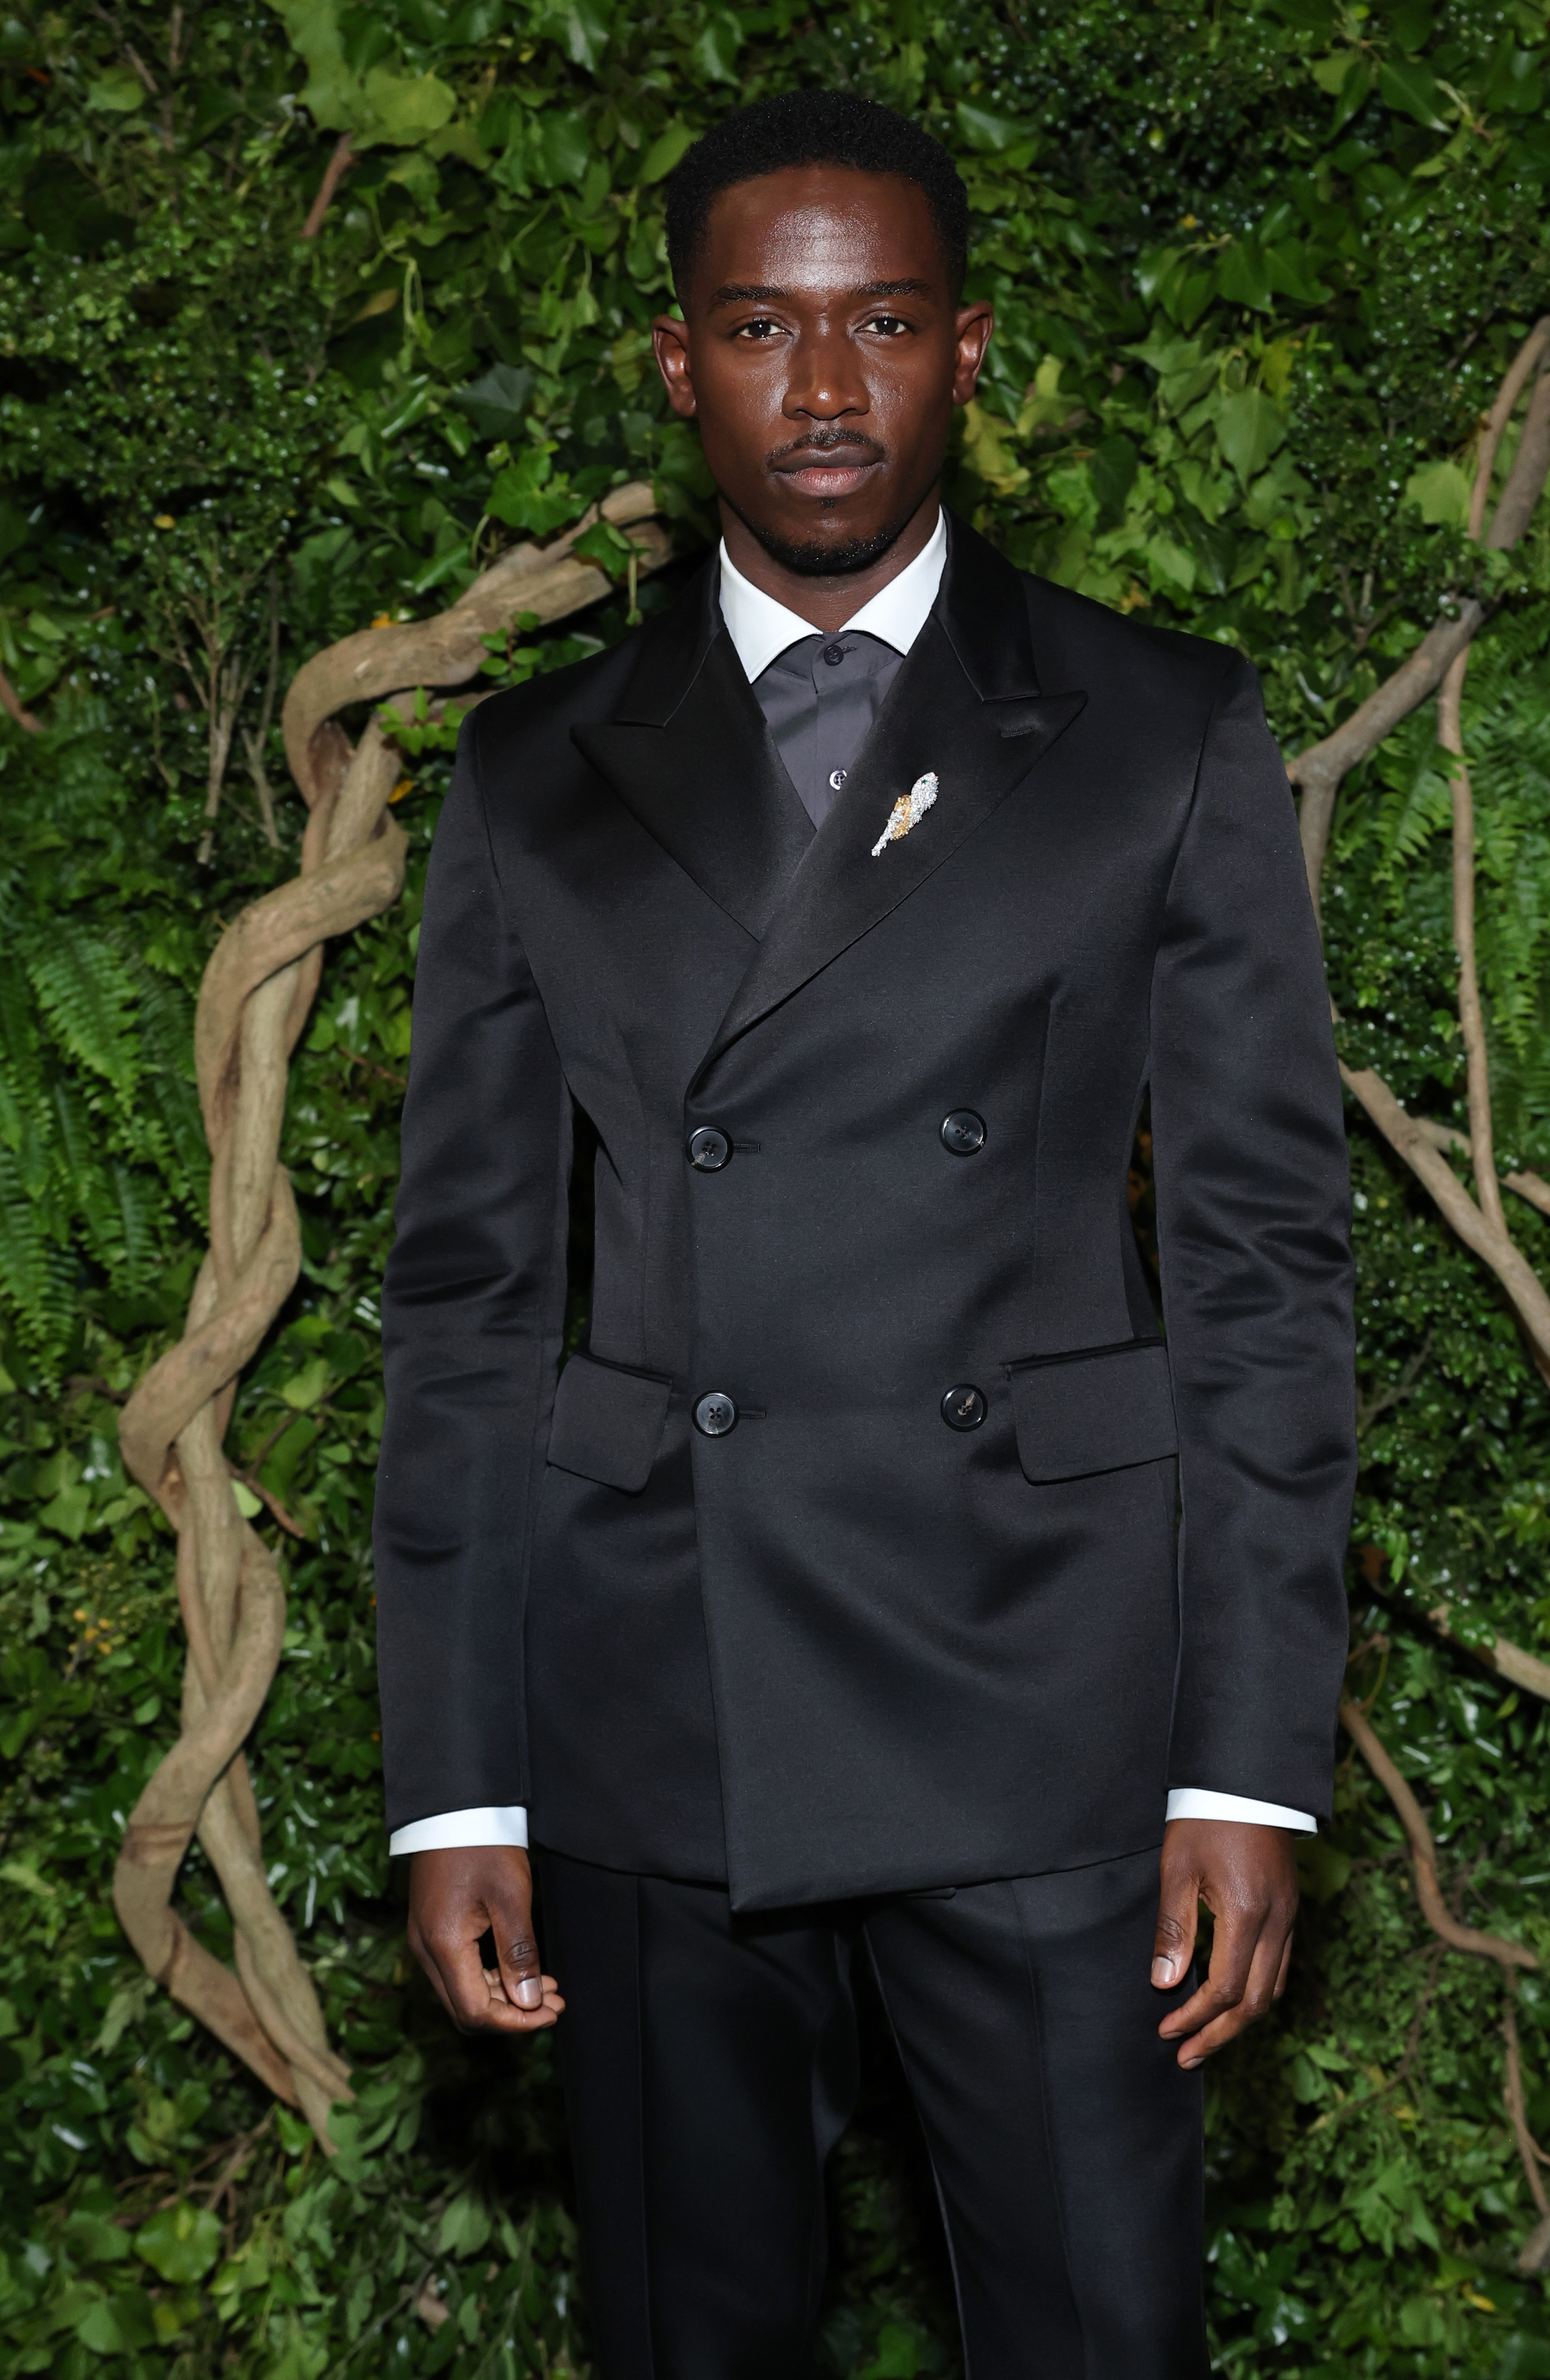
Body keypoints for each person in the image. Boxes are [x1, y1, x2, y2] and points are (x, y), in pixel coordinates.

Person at [374, 89, 1354, 2380]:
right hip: (650, 1699)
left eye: (884, 323)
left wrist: (1246, 1760)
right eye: (764, 328)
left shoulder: (1155, 731)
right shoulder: (534, 774)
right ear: (676, 363)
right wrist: (459, 1772)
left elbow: (1262, 1270)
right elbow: (469, 1296)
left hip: (1049, 1693)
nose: (827, 391)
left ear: (971, 349)